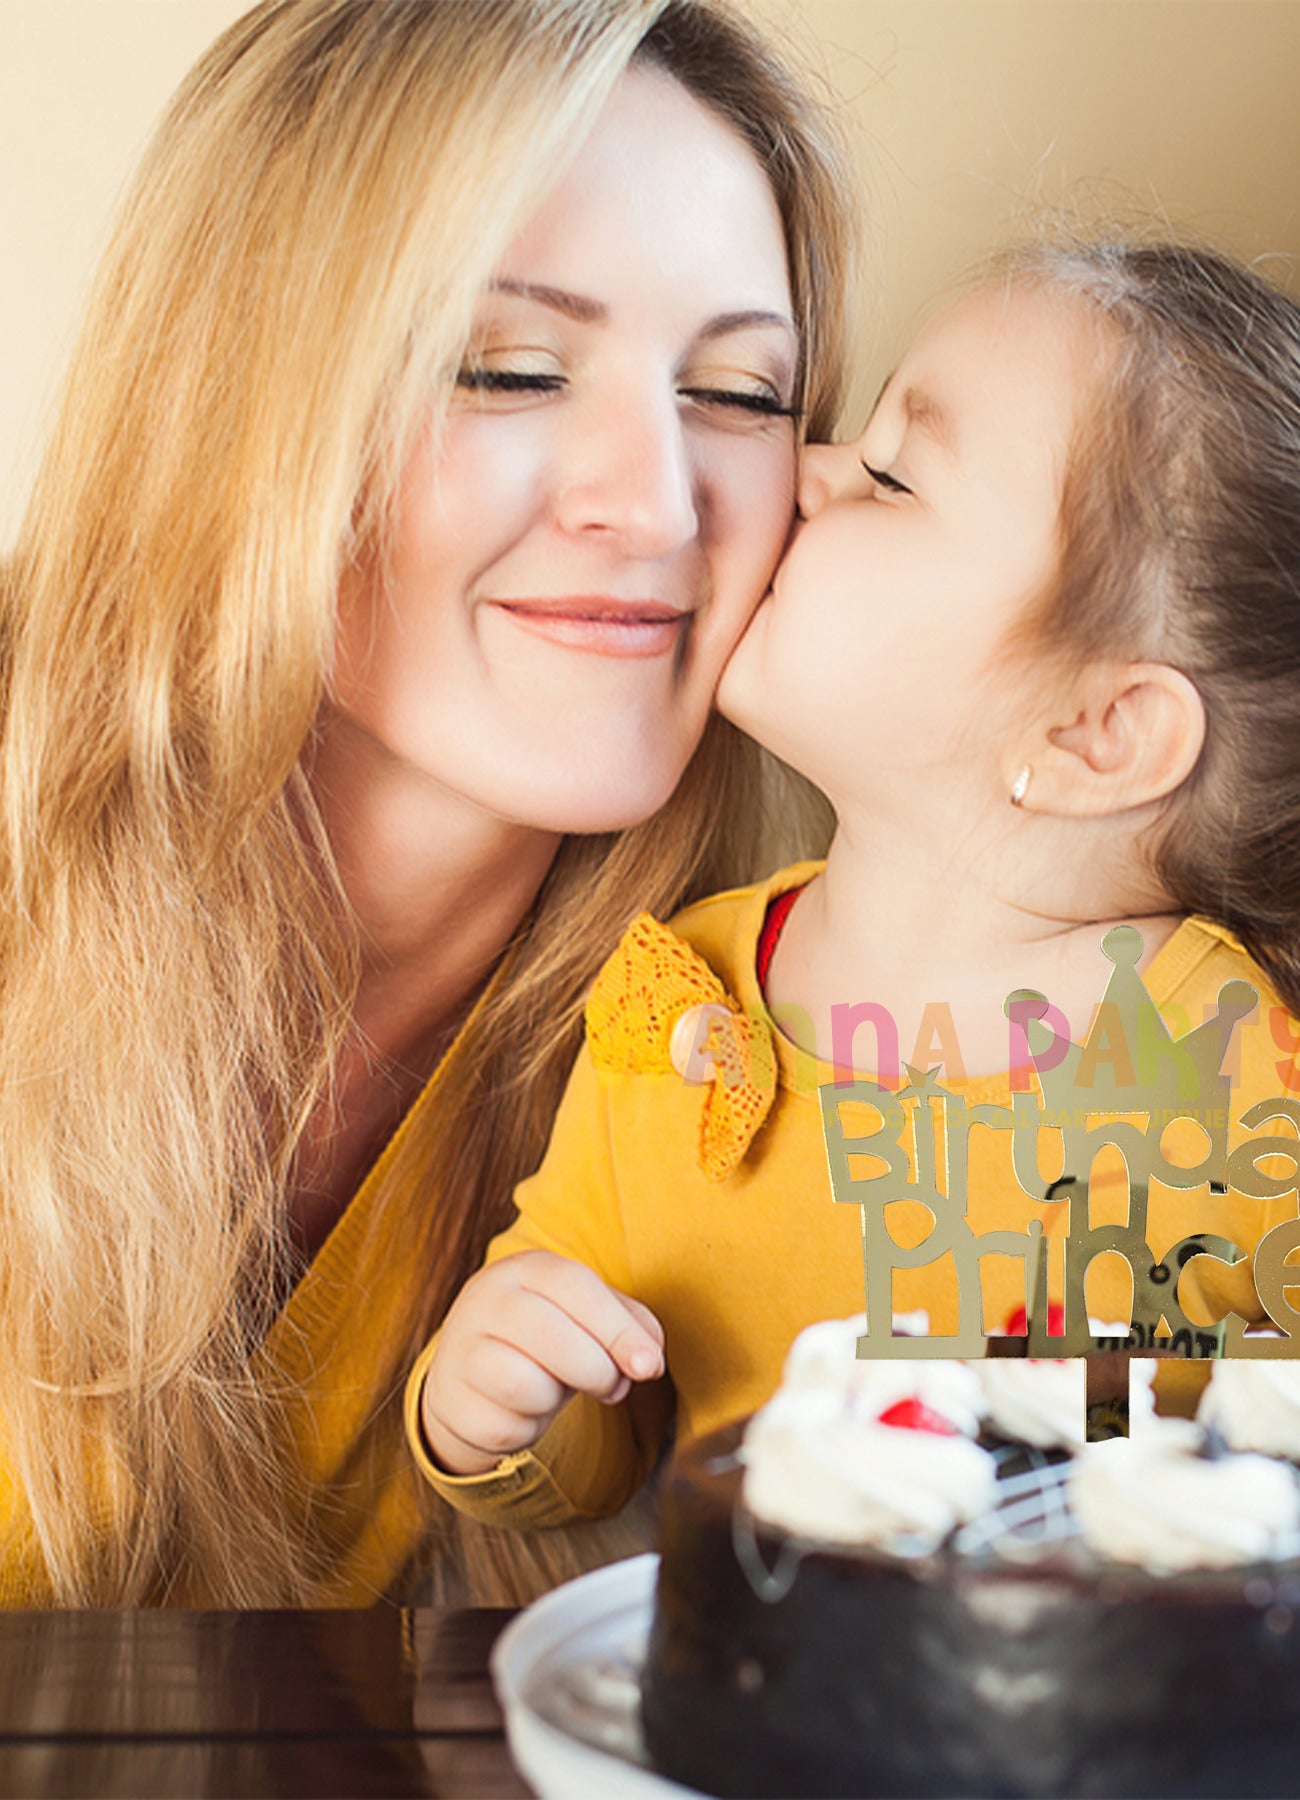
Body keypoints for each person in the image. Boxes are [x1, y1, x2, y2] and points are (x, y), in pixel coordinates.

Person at [413, 238, 1300, 1664]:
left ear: (1095, 737)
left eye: (893, 474)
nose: (807, 472)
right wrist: (500, 1402)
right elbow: (593, 1407)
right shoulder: (673, 1011)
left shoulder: (1253, 1079)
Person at [0, 0, 852, 1608]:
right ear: (236, 403)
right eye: (510, 368)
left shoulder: (746, 1048)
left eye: (740, 395)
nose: (659, 502)